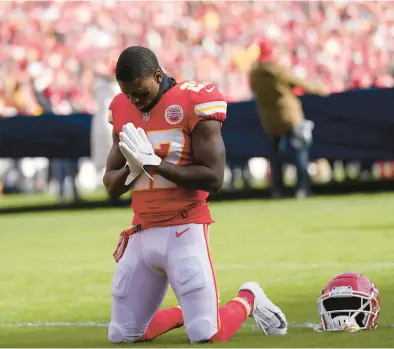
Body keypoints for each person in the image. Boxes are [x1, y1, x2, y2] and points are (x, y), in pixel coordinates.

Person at [103, 46, 287, 344]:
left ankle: (248, 298)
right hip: (142, 230)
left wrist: (156, 164)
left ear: (158, 76)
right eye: (128, 94)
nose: (135, 101)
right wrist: (132, 169)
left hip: (184, 228)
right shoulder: (122, 108)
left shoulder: (193, 101)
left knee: (207, 333)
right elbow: (111, 186)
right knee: (123, 334)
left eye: (140, 92)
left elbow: (214, 178)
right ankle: (182, 312)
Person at [250, 40, 329, 198]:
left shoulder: (254, 74)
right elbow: (301, 83)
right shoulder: (278, 70)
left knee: (275, 156)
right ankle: (302, 187)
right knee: (300, 150)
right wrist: (322, 90)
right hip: (290, 116)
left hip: (270, 119)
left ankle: (277, 189)